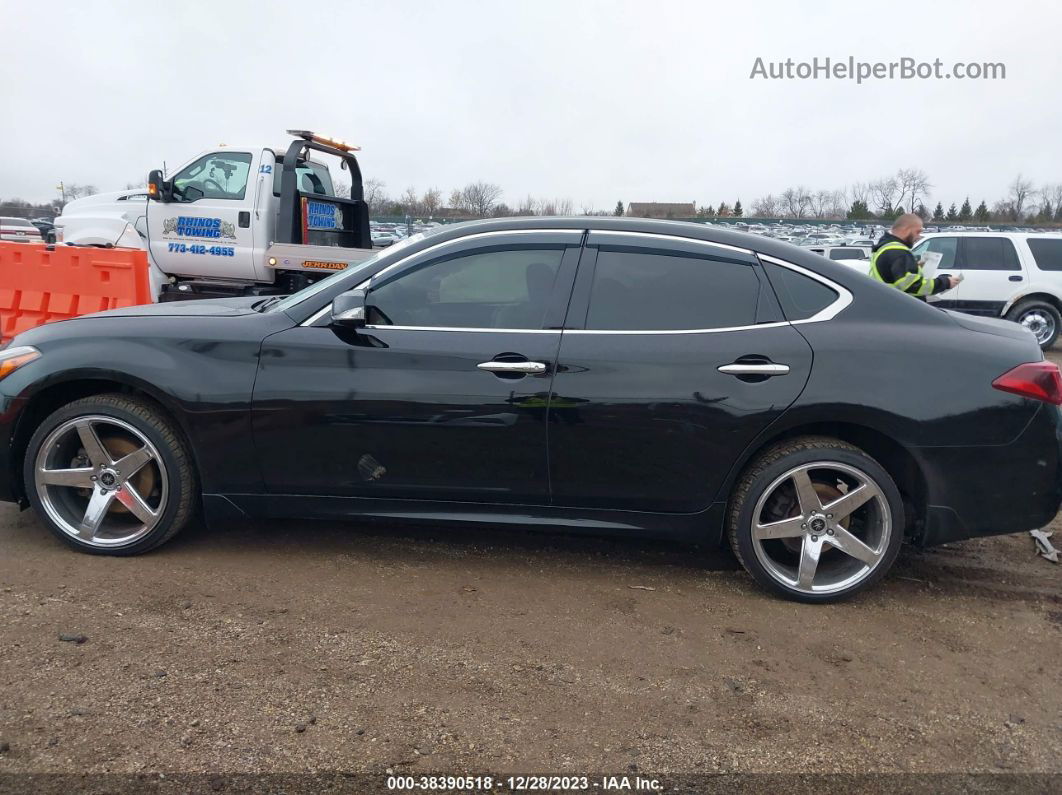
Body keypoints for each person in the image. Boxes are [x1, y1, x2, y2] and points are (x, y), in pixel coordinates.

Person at [869, 213, 958, 299]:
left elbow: (890, 275)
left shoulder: (885, 247)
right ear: (906, 230)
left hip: (888, 304)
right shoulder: (898, 252)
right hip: (901, 308)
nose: (919, 236)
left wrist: (913, 266)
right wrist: (945, 282)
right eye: (918, 232)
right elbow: (912, 286)